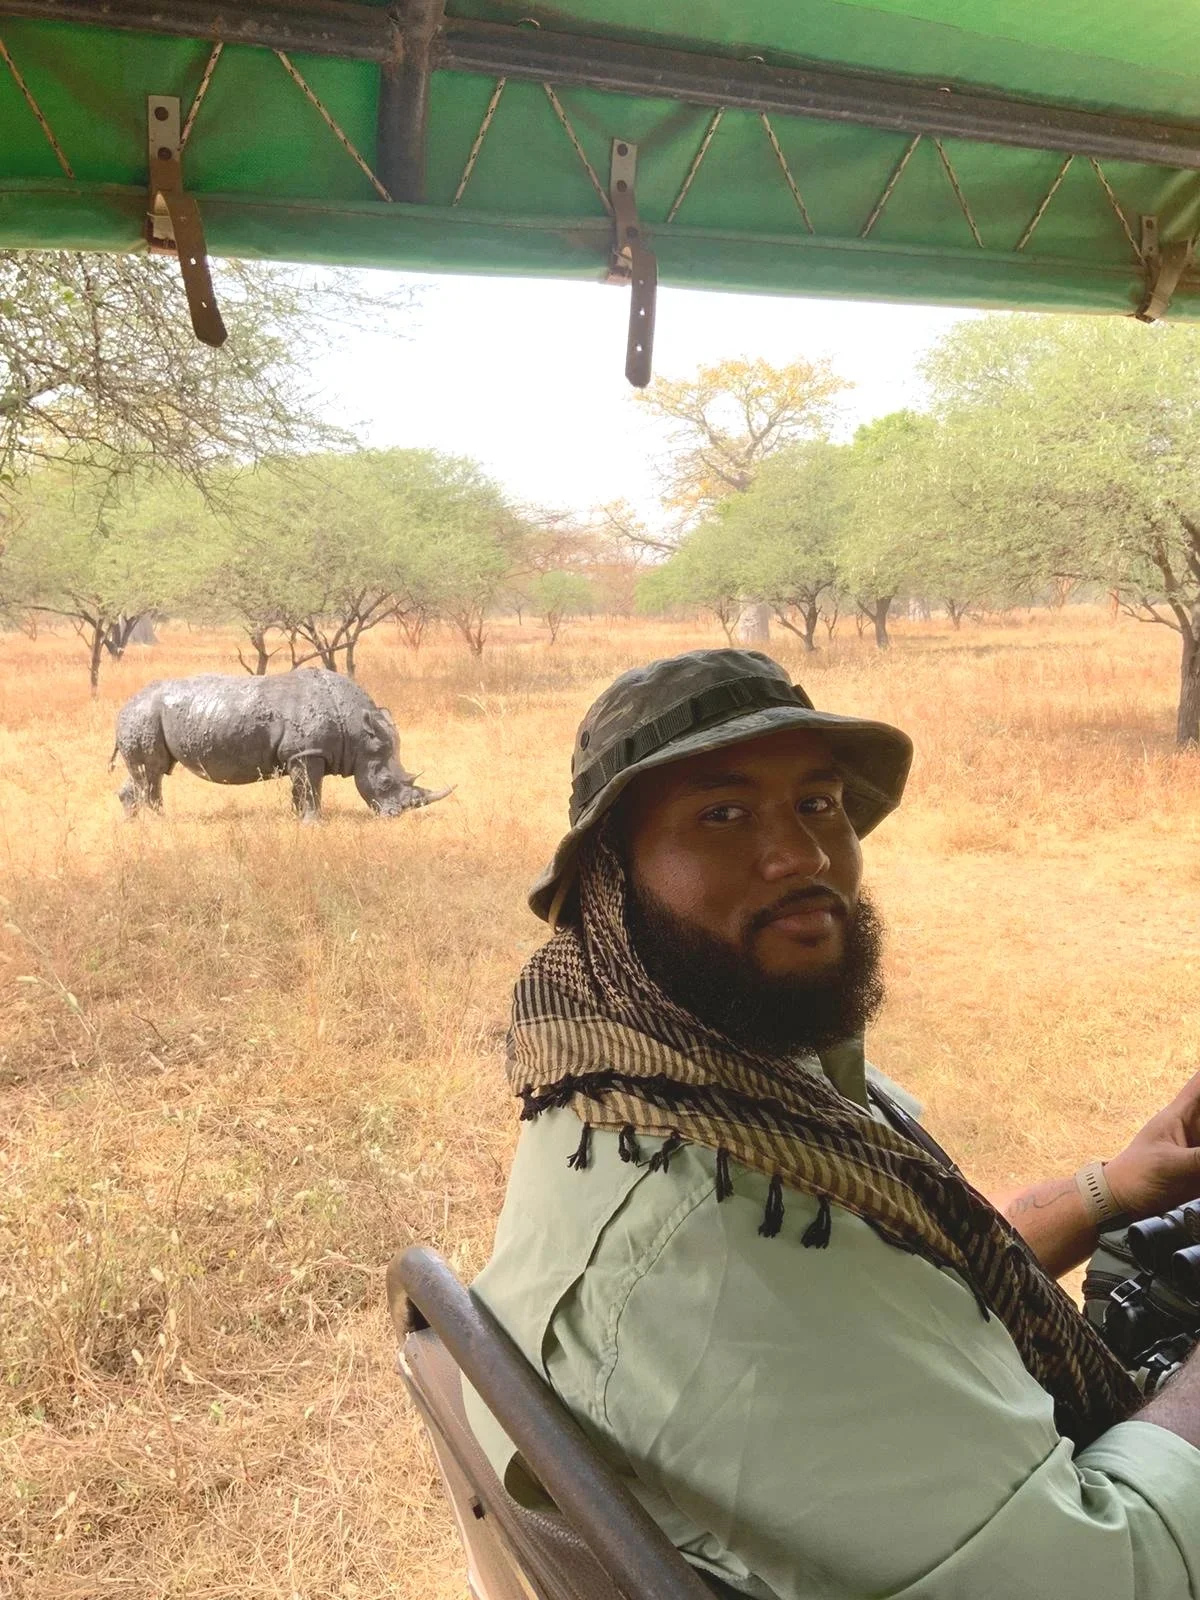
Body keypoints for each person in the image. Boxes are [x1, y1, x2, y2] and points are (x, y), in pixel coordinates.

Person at [467, 648, 1200, 1599]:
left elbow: (915, 1286)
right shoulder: (718, 1236)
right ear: (610, 879)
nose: (805, 855)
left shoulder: (679, 1088)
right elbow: (1108, 1578)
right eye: (722, 815)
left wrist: (1115, 1188)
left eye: (818, 804)